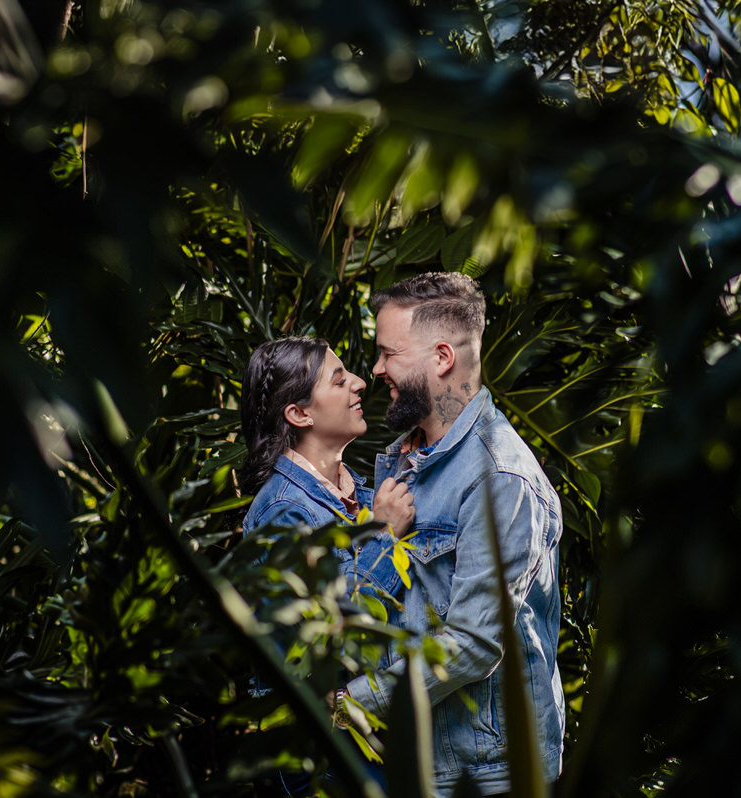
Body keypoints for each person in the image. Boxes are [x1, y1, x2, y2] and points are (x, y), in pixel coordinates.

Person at [337, 273, 564, 797]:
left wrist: (353, 703)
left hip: (486, 774)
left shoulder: (499, 478)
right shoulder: (400, 456)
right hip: (416, 760)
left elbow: (473, 643)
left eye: (388, 353)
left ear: (441, 358)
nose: (375, 370)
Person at [239, 335, 415, 597]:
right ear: (300, 414)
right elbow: (329, 626)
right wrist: (383, 535)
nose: (360, 383)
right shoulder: (283, 512)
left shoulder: (358, 496)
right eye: (339, 381)